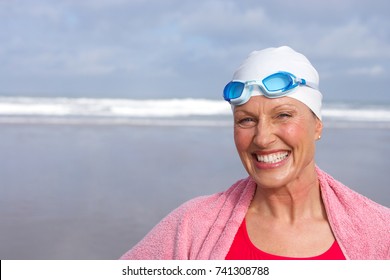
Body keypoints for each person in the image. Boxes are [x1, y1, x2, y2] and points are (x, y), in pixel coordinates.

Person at [120, 46, 390, 260]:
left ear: (317, 125)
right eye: (246, 120)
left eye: (283, 115)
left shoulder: (380, 232)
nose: (262, 138)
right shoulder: (192, 226)